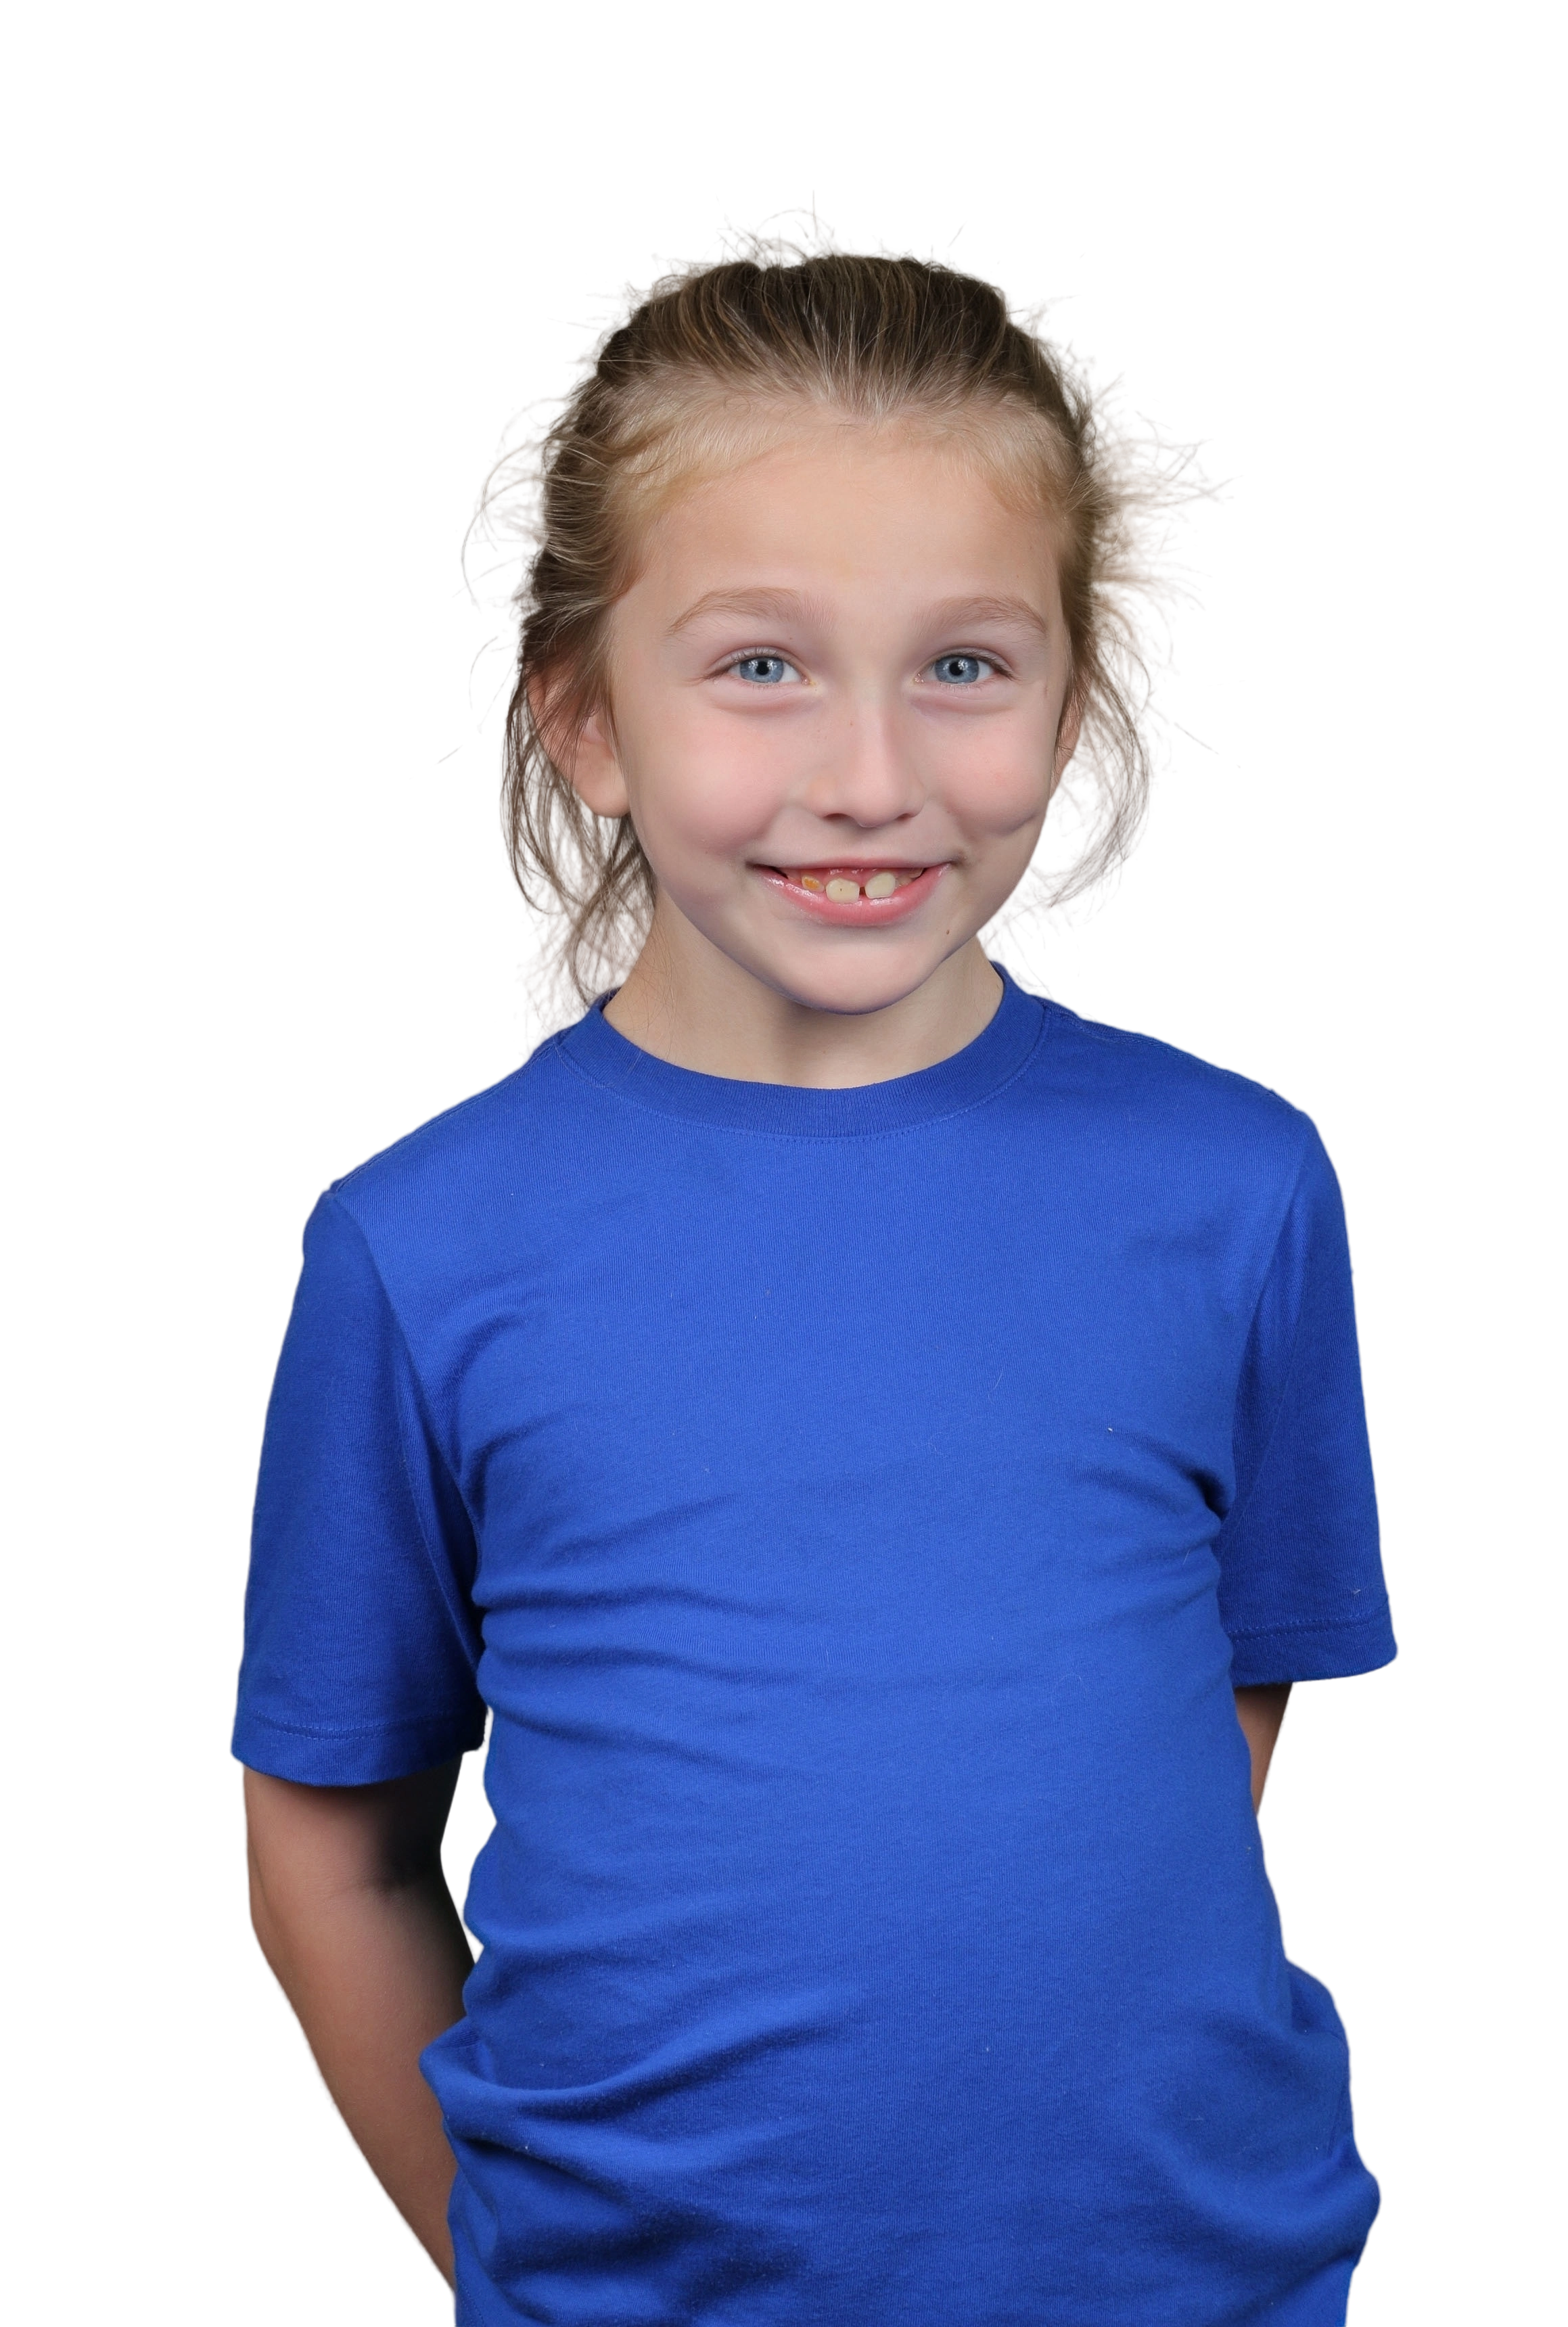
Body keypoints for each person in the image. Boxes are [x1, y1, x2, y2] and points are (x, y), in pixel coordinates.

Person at [230, 206, 1402, 2327]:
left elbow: (1212, 1719)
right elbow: (329, 1838)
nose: (869, 779)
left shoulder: (1237, 1184)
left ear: (1071, 708)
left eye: (963, 664)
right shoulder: (423, 1245)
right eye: (761, 664)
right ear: (585, 716)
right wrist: (508, 2264)